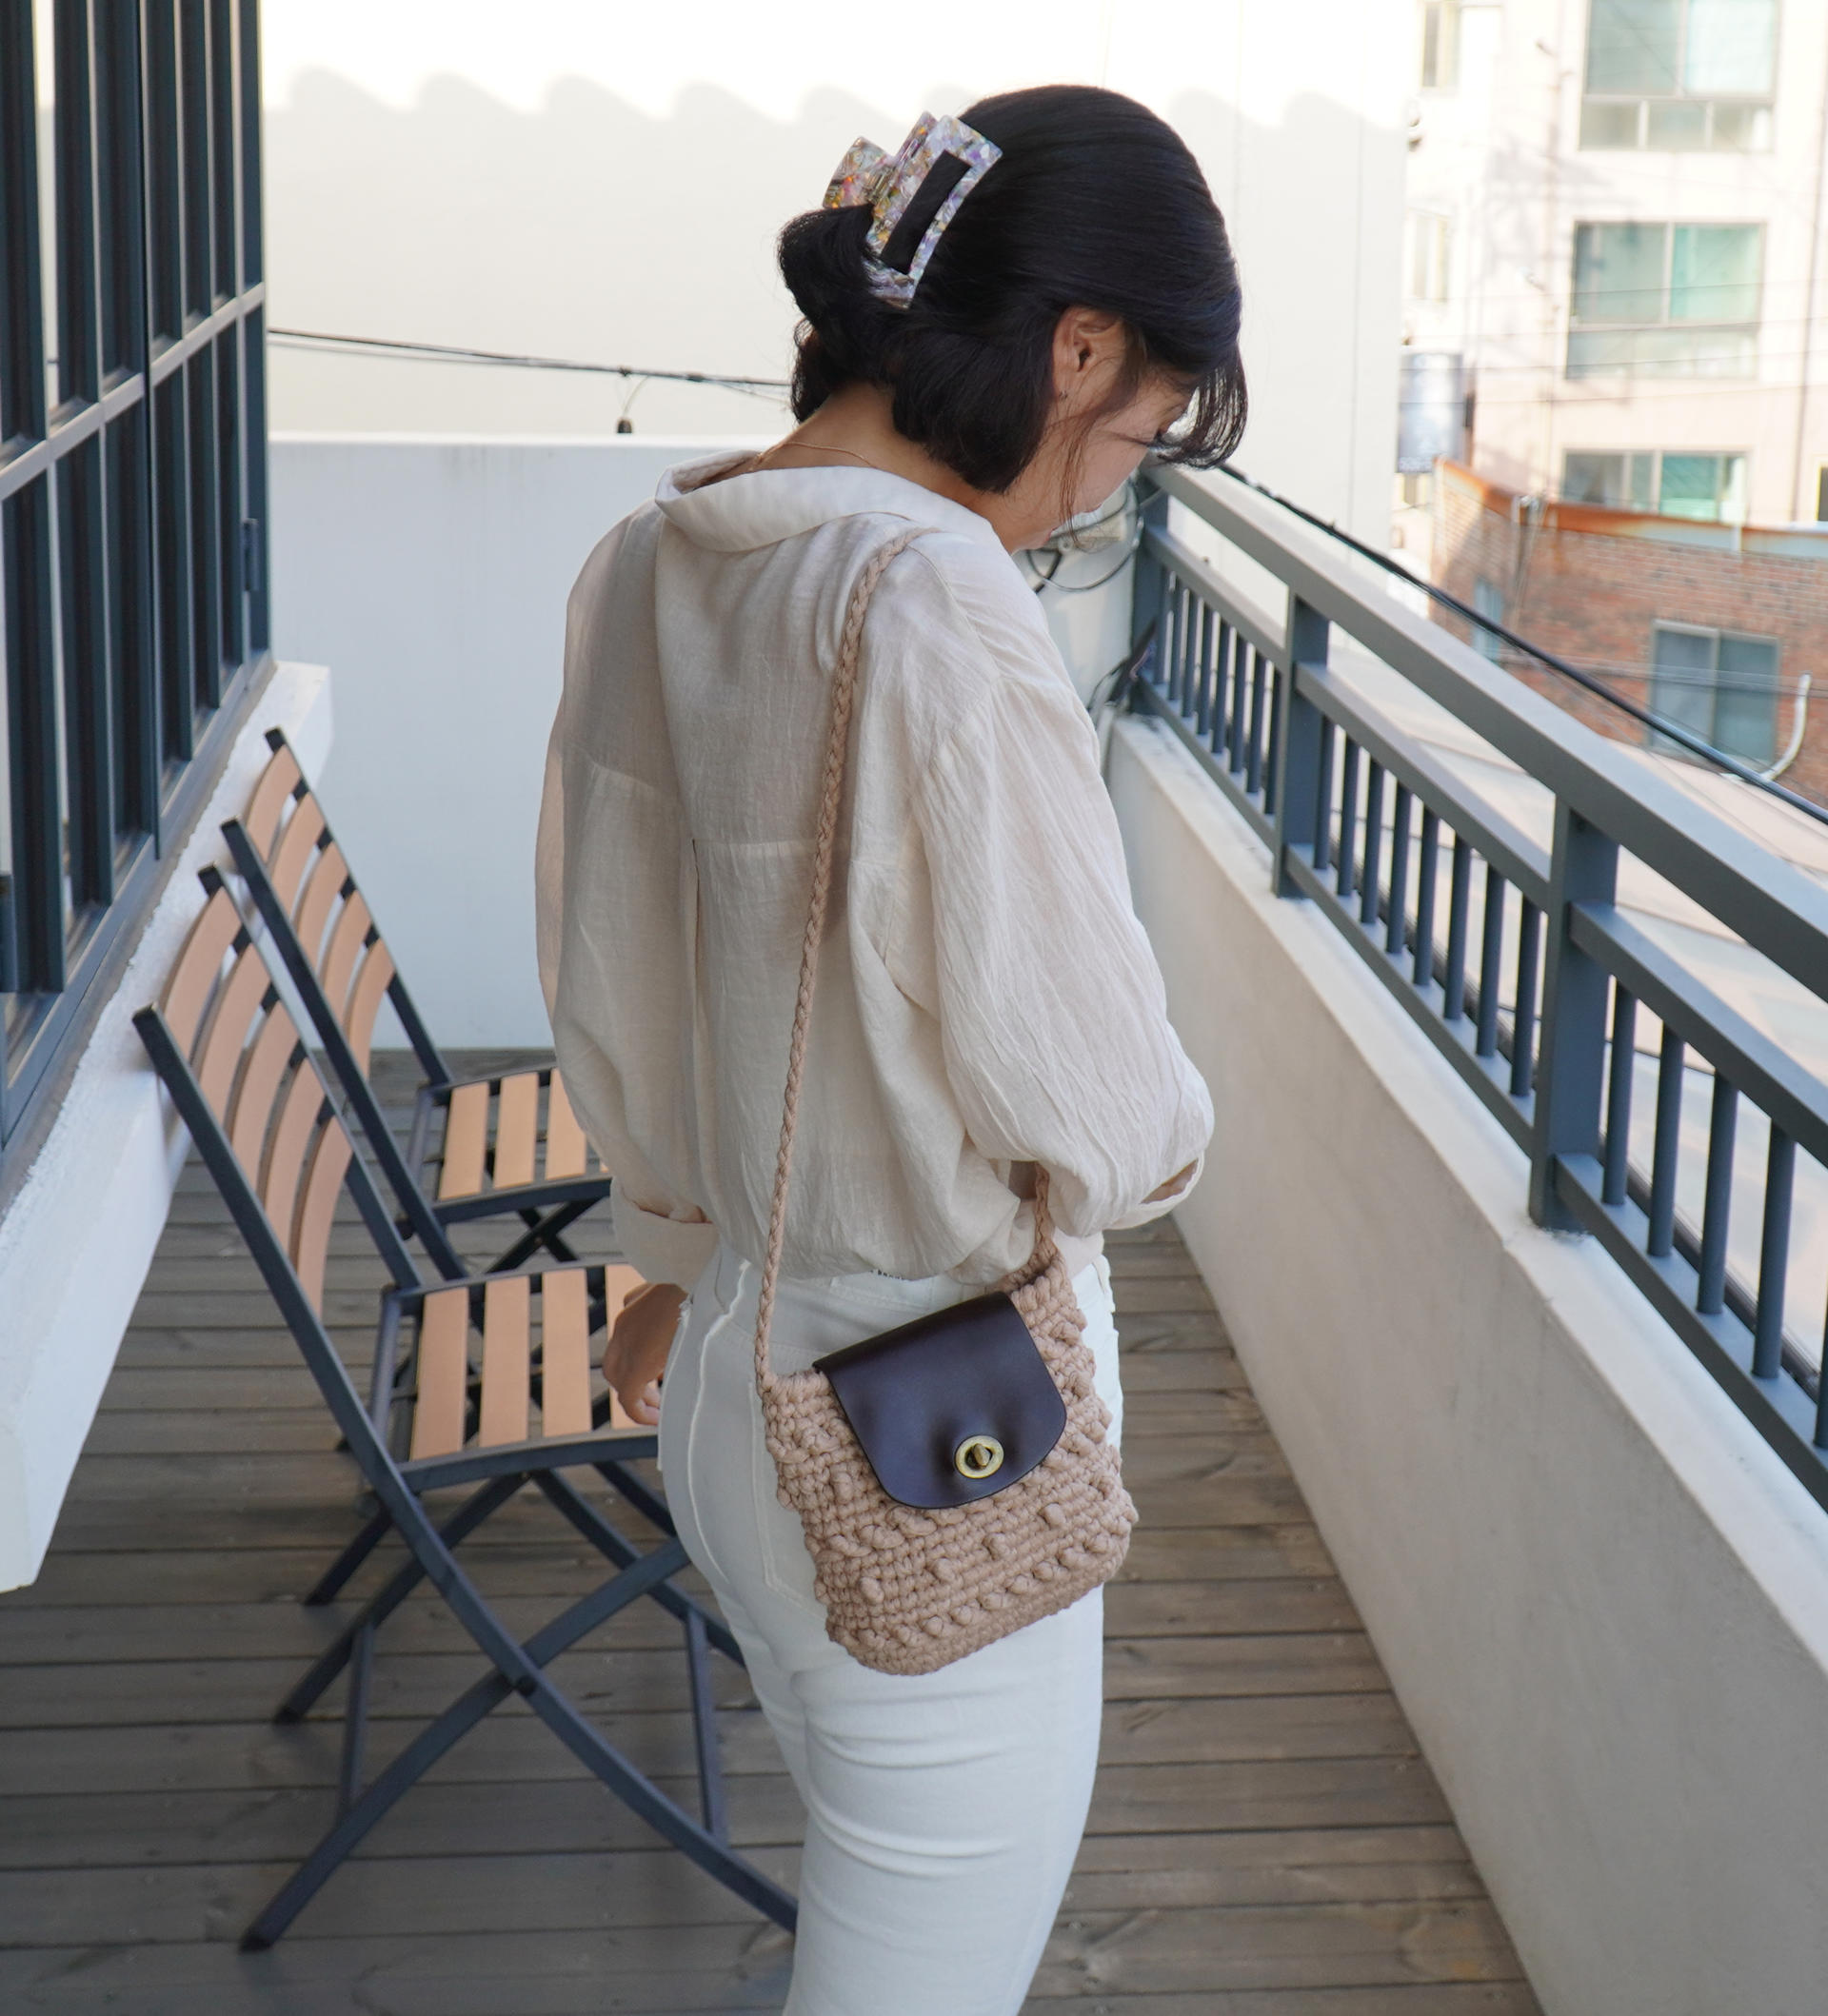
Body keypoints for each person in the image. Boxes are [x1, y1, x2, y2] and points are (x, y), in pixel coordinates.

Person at [535, 81, 1244, 2016]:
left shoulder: (657, 553)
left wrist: (672, 1248)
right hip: (927, 1416)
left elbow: (609, 968)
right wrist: (1170, 1132)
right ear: (1077, 347)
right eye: (1140, 432)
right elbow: (1101, 1107)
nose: (1101, 491)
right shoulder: (935, 600)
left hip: (721, 1375)